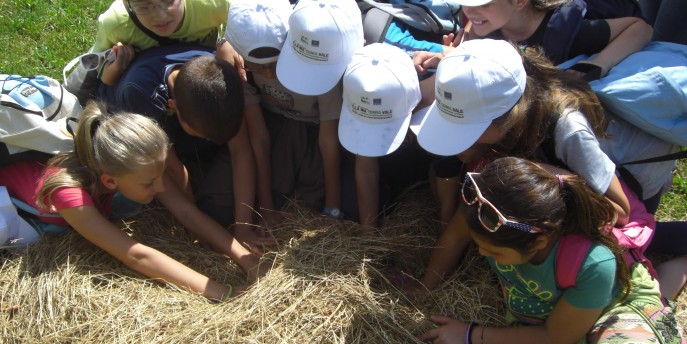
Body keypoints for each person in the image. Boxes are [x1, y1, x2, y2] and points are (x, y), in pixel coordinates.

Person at [409, 39, 630, 293]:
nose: (460, 147)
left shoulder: (568, 131)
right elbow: (460, 227)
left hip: (564, 208)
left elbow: (620, 211)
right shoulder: (495, 128)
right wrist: (424, 290)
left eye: (468, 133)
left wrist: (538, 173)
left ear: (508, 117)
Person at [0, 101, 262, 301]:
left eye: (161, 176)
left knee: (132, 203)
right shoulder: (70, 195)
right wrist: (222, 292)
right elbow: (137, 255)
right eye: (150, 183)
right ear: (110, 181)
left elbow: (186, 212)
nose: (161, 187)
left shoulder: (134, 166)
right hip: (21, 209)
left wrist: (246, 259)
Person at [419, 157, 682, 344]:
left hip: (615, 306)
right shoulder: (486, 213)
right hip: (575, 306)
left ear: (539, 241)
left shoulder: (593, 264)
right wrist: (423, 290)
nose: (482, 254)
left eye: (494, 252)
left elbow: (554, 336)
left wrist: (470, 335)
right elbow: (454, 237)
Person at [100, 44, 275, 255]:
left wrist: (243, 227)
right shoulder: (141, 96)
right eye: (202, 135)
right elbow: (172, 169)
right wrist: (195, 229)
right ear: (174, 107)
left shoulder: (219, 82)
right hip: (135, 126)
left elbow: (241, 151)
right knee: (154, 199)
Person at [225, 0, 362, 222]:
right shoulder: (240, 69)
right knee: (232, 200)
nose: (268, 75)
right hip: (277, 124)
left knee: (331, 199)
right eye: (257, 67)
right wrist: (266, 206)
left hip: (313, 128)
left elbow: (328, 140)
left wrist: (332, 208)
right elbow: (259, 137)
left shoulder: (316, 63)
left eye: (275, 64)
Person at [337, 43, 425, 229]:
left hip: (419, 174)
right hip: (383, 174)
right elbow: (365, 162)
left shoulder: (432, 96)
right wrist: (369, 234)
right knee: (351, 208)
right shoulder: (360, 81)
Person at [91, 0, 245, 86]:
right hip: (147, 86)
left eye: (168, 0)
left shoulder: (212, 4)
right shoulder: (116, 24)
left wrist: (231, 42)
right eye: (144, 6)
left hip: (205, 74)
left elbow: (249, 18)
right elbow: (99, 71)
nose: (160, 16)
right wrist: (113, 72)